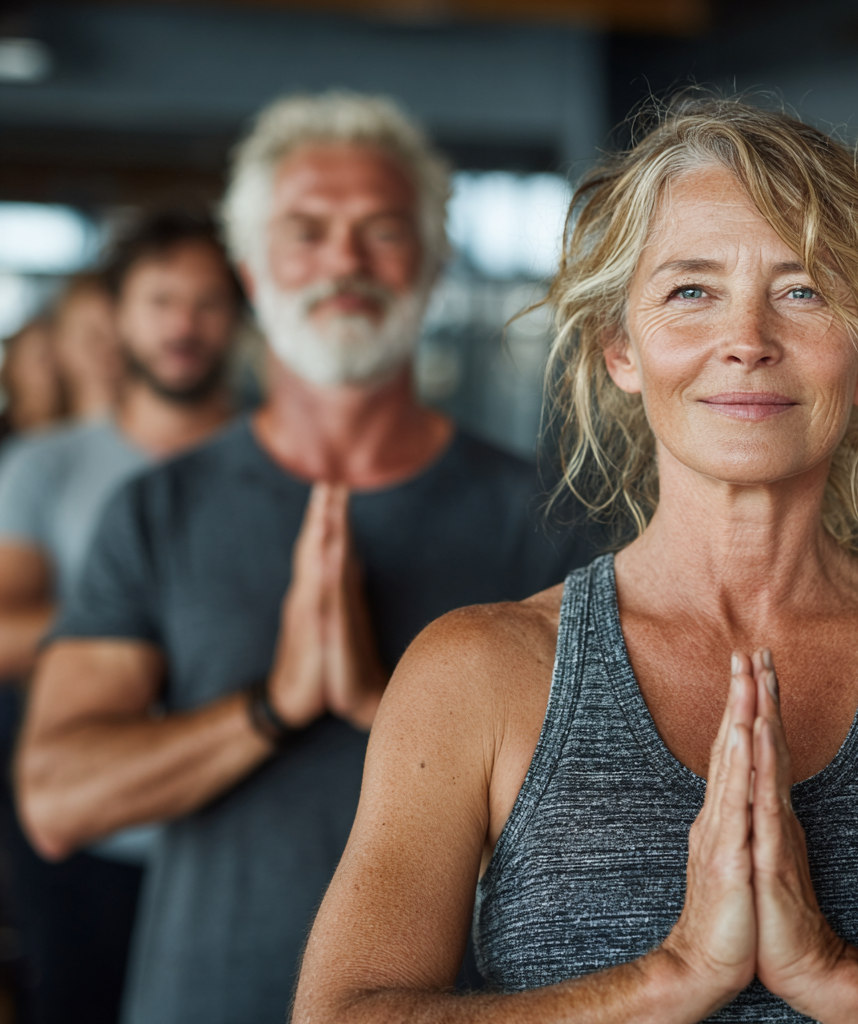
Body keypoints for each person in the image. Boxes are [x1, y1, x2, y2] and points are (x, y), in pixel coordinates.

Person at [292, 99, 858, 1023]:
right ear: (619, 350)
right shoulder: (480, 672)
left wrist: (842, 978)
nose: (748, 340)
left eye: (805, 291)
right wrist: (669, 979)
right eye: (691, 291)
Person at [16, 91, 595, 1024]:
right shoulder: (161, 507)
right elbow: (57, 798)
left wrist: (393, 709)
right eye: (307, 230)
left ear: (435, 262)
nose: (344, 261)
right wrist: (272, 706)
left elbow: (617, 831)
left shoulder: (551, 518)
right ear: (251, 268)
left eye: (382, 230)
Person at [0, 209, 241, 1024]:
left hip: (242, 827)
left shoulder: (293, 464)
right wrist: (139, 624)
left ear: (239, 314)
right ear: (119, 315)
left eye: (207, 302)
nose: (183, 324)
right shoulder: (48, 465)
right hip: (94, 830)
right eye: (161, 300)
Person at [50, 273, 123, 422]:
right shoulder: (32, 439)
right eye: (92, 336)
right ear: (59, 343)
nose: (108, 349)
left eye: (117, 334)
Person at [0, 318, 64, 444]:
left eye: (56, 358)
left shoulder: (76, 425)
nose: (52, 368)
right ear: (14, 369)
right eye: (42, 358)